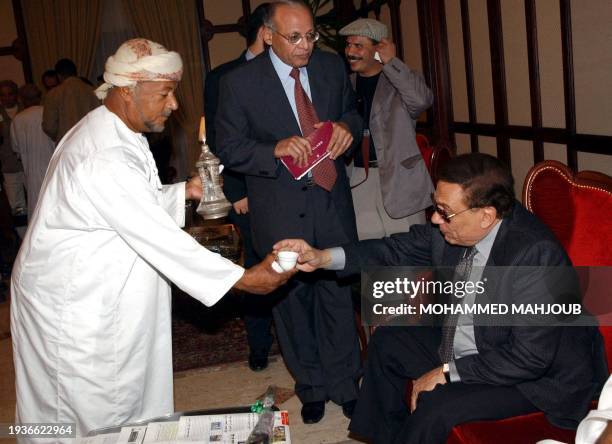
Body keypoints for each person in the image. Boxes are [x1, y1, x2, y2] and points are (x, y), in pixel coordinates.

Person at [11, 38, 294, 441]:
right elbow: (158, 237)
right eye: (165, 93)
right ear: (127, 91)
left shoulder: (117, 130)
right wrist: (243, 279)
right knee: (89, 410)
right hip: (75, 306)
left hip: (102, 288)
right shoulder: (104, 153)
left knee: (131, 395)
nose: (174, 104)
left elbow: (130, 205)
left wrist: (183, 193)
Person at [275, 153, 606, 443]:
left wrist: (448, 371)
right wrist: (322, 257)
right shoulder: (452, 231)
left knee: (437, 405)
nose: (434, 219)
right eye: (436, 207)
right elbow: (390, 250)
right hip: (479, 340)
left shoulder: (533, 255)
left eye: (444, 212)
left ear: (486, 216)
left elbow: (529, 358)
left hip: (535, 377)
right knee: (389, 343)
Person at [215, 0, 363, 424]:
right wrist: (273, 149)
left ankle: (345, 384)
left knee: (337, 298)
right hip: (279, 210)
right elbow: (228, 146)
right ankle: (312, 387)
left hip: (332, 204)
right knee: (294, 306)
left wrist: (346, 128)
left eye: (311, 35)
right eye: (294, 37)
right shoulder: (239, 83)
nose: (305, 46)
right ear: (268, 35)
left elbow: (351, 112)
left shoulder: (332, 68)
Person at [204, 2, 274, 372]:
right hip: (247, 193)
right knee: (253, 266)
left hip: (287, 191)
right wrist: (236, 191)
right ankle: (259, 343)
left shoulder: (294, 72)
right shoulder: (223, 77)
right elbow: (219, 141)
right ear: (267, 32)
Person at [339, 18, 434, 240]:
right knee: (370, 260)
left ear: (379, 48)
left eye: (358, 46)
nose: (350, 51)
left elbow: (421, 100)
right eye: (348, 45)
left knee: (408, 261)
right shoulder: (344, 84)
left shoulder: (400, 79)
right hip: (357, 179)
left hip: (400, 181)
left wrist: (392, 62)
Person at [10, 84, 55, 218]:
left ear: (22, 99)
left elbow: (15, 148)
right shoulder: (48, 112)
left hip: (31, 172)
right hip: (52, 167)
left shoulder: (18, 119)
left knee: (37, 210)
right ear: (40, 97)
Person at [42, 58, 100, 143]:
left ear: (58, 75)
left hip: (67, 144)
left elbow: (49, 127)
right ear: (75, 72)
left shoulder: (53, 94)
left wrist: (59, 136)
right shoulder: (93, 90)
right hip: (91, 142)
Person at [0, 80, 26, 215]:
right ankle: (22, 232)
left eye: (10, 94)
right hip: (9, 167)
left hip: (28, 165)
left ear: (16, 95)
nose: (6, 98)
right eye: (3, 95)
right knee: (17, 206)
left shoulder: (25, 109)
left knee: (36, 199)